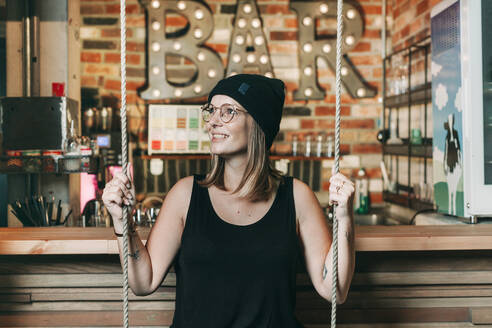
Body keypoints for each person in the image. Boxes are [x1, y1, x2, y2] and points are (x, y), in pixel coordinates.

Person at [102, 74, 356, 327]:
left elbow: (335, 290)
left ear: (258, 123)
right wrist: (122, 222)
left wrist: (345, 217)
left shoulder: (297, 197)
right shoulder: (184, 195)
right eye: (211, 111)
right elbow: (143, 283)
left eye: (228, 112)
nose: (212, 121)